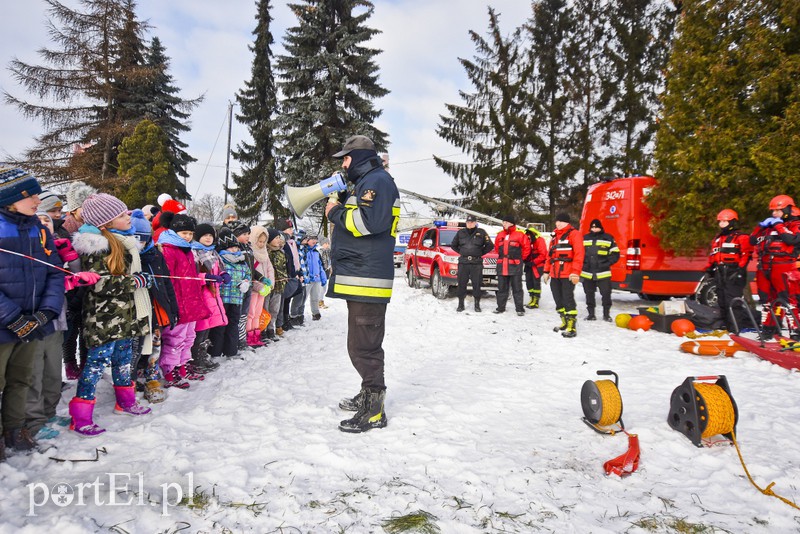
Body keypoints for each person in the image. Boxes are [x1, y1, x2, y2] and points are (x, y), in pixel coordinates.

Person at [325, 134, 400, 433]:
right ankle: (369, 393)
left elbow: (368, 224)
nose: (343, 164)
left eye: (345, 158)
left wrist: (335, 212)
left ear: (357, 158)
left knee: (364, 347)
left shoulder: (377, 182)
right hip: (361, 277)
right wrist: (342, 198)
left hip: (367, 279)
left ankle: (373, 410)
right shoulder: (368, 182)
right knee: (360, 343)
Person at [70, 193, 152, 437]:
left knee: (124, 361)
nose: (128, 216)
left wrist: (138, 280)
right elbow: (99, 284)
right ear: (105, 223)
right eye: (122, 215)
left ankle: (125, 402)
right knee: (95, 366)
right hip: (103, 321)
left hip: (125, 317)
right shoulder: (96, 246)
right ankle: (80, 416)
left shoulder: (123, 242)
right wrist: (135, 282)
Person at [0, 166, 64, 459]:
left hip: (33, 323)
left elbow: (55, 271)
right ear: (11, 197)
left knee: (21, 380)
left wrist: (46, 312)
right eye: (32, 195)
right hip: (5, 324)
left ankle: (14, 431)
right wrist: (12, 317)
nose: (38, 201)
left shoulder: (39, 228)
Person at [158, 214, 214, 387]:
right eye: (184, 233)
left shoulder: (188, 250)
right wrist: (172, 302)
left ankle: (182, 365)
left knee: (189, 337)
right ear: (174, 231)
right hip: (178, 302)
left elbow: (192, 276)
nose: (188, 237)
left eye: (190, 233)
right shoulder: (168, 249)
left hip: (191, 302)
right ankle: (170, 369)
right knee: (175, 338)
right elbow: (168, 280)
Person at [132, 209, 179, 403]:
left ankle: (152, 378)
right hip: (136, 312)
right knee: (135, 348)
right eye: (135, 240)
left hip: (156, 309)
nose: (139, 245)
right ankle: (131, 380)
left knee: (155, 346)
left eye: (142, 240)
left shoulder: (156, 255)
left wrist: (172, 308)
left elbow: (167, 283)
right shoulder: (128, 256)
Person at [750, 195, 800, 337]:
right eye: (773, 211)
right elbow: (753, 240)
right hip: (765, 267)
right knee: (766, 300)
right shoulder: (768, 227)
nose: (774, 214)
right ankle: (768, 329)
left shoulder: (795, 225)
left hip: (784, 267)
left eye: (777, 211)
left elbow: (790, 240)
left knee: (788, 299)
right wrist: (759, 227)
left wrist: (779, 225)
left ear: (787, 209)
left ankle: (795, 331)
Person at [704, 209, 753, 331]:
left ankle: (735, 326)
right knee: (721, 298)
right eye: (720, 221)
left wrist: (740, 270)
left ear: (732, 222)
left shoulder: (741, 237)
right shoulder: (718, 238)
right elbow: (713, 254)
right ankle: (726, 323)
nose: (721, 224)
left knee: (733, 300)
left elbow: (746, 254)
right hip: (720, 271)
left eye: (724, 221)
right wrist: (710, 267)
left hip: (733, 271)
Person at [208, 228, 251, 359]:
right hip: (222, 298)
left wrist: (246, 282)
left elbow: (248, 274)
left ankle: (231, 350)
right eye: (231, 248)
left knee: (233, 324)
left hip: (237, 299)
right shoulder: (220, 260)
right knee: (220, 325)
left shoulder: (242, 261)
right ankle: (215, 351)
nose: (234, 250)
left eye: (236, 248)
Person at [190, 223, 227, 372]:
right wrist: (207, 277)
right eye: (205, 235)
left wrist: (223, 274)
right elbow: (191, 276)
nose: (208, 238)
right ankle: (196, 359)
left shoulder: (213, 253)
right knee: (201, 328)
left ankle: (203, 355)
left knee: (208, 328)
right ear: (198, 237)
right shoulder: (194, 252)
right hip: (201, 296)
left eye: (211, 235)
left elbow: (219, 269)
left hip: (213, 294)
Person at [543, 213, 585, 338]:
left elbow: (579, 255)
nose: (558, 224)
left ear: (567, 223)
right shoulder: (554, 236)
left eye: (561, 222)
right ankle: (564, 322)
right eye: (557, 221)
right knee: (558, 299)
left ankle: (572, 326)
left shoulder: (575, 234)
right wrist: (546, 271)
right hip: (555, 274)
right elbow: (549, 256)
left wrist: (575, 272)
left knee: (568, 299)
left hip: (568, 274)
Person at [449, 215, 493, 312]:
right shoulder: (460, 232)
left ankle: (477, 305)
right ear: (466, 223)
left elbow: (490, 245)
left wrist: (480, 253)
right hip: (463, 262)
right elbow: (453, 245)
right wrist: (462, 252)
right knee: (461, 284)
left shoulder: (481, 232)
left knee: (477, 284)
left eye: (472, 222)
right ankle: (461, 304)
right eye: (468, 222)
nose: (470, 224)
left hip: (476, 263)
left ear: (475, 222)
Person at [581, 219, 620, 321]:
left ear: (601, 227)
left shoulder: (608, 238)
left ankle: (606, 315)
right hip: (587, 273)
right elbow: (579, 254)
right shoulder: (585, 238)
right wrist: (583, 264)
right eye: (592, 227)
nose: (594, 229)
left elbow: (615, 254)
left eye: (596, 227)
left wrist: (606, 263)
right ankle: (591, 314)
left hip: (603, 272)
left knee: (606, 294)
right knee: (589, 294)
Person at [493, 215, 531, 316]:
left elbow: (527, 248)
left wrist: (519, 259)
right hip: (502, 266)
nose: (503, 224)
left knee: (517, 288)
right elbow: (497, 248)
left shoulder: (520, 235)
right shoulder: (500, 235)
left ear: (511, 223)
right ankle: (500, 308)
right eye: (503, 222)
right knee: (501, 288)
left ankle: (519, 309)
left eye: (505, 222)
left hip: (515, 266)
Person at [523, 224, 548, 309]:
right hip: (529, 264)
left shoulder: (539, 240)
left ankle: (536, 301)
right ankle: (531, 298)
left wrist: (533, 262)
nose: (528, 237)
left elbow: (543, 255)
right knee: (528, 282)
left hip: (537, 265)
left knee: (535, 283)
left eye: (529, 236)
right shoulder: (528, 241)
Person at [303, 234, 328, 320]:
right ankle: (298, 314)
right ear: (307, 240)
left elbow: (320, 266)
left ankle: (316, 313)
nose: (314, 241)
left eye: (315, 239)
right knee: (303, 298)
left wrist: (323, 277)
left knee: (315, 297)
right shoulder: (304, 251)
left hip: (316, 279)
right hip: (307, 279)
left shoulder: (316, 252)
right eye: (312, 239)